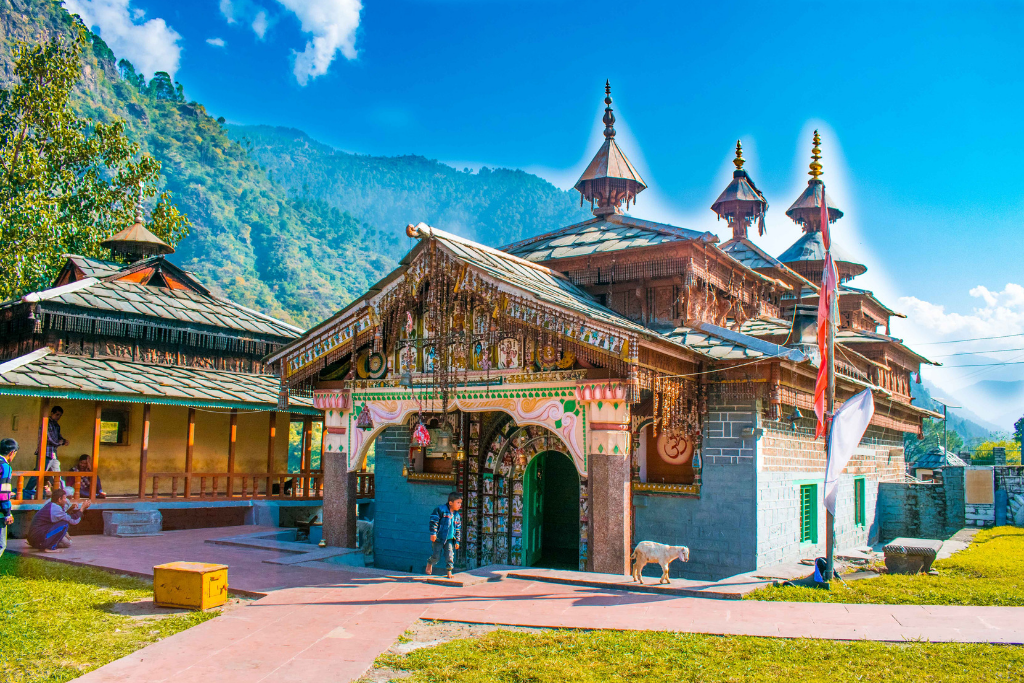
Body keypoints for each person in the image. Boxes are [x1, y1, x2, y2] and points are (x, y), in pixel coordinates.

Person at [27, 486, 89, 552]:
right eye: (65, 498)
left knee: (67, 542)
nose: (66, 501)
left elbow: (63, 516)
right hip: (38, 539)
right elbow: (73, 520)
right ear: (59, 499)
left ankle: (47, 545)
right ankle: (50, 548)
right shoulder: (55, 508)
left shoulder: (52, 505)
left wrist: (70, 509)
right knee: (64, 524)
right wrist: (82, 508)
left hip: (34, 539)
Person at [425, 492, 462, 579]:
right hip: (439, 538)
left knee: (450, 555)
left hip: (450, 539)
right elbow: (434, 521)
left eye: (460, 503)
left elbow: (458, 529)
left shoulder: (457, 515)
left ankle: (449, 571)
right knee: (436, 556)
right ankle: (430, 562)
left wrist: (457, 541)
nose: (459, 505)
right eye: (458, 503)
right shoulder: (441, 510)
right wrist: (433, 533)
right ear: (450, 502)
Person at [1, 438, 17, 559]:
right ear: (12, 452)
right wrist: (7, 513)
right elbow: (3, 491)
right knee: (1, 544)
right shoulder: (5, 467)